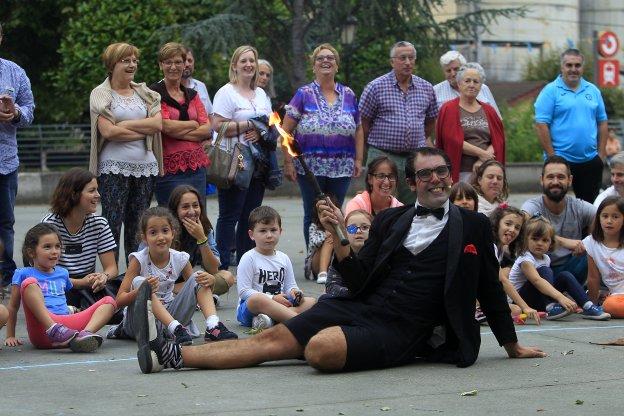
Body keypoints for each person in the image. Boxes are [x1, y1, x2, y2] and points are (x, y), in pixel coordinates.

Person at [132, 147, 544, 375]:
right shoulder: (391, 220)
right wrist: (339, 237)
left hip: (405, 328)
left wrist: (511, 344)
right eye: (426, 174)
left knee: (320, 350)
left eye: (442, 172)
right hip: (358, 304)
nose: (436, 179)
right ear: (413, 182)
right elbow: (359, 276)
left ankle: (306, 344)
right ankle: (168, 356)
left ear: (450, 176)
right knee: (271, 340)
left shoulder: (472, 225)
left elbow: (489, 285)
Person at [111, 207, 237, 343]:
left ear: (173, 233)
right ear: (144, 238)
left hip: (170, 316)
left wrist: (210, 281)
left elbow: (197, 290)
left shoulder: (180, 258)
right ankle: (175, 328)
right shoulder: (138, 260)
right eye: (153, 233)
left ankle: (213, 326)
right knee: (139, 281)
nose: (160, 237)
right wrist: (141, 291)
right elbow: (119, 300)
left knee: (199, 276)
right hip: (141, 321)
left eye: (165, 231)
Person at [282, 43, 363, 246]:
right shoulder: (303, 94)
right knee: (313, 211)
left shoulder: (349, 95)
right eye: (320, 58)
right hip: (310, 167)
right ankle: (314, 259)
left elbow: (359, 128)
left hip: (342, 166)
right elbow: (285, 130)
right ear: (314, 66)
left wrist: (359, 159)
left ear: (337, 66)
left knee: (336, 209)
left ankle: (334, 255)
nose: (325, 61)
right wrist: (289, 162)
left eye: (330, 58)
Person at [89, 42, 163, 264]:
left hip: (146, 167)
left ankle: (133, 277)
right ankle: (110, 277)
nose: (132, 65)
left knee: (138, 225)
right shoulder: (101, 93)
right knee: (112, 222)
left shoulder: (146, 93)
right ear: (112, 64)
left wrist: (125, 125)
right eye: (126, 60)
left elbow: (157, 124)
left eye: (134, 61)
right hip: (113, 168)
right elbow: (108, 131)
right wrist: (142, 129)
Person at [4, 224, 116, 352]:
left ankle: (83, 336)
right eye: (47, 247)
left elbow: (75, 283)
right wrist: (10, 335)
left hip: (68, 329)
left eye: (57, 246)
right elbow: (13, 306)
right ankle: (54, 330)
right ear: (31, 252)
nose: (54, 251)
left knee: (109, 302)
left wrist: (87, 281)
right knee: (29, 283)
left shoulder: (62, 273)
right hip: (44, 329)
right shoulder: (23, 273)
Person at [212, 45, 273, 269]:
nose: (248, 65)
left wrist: (260, 130)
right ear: (235, 66)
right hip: (235, 162)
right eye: (243, 61)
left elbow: (268, 122)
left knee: (251, 216)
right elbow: (217, 125)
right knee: (229, 215)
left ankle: (246, 264)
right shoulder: (226, 92)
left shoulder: (261, 94)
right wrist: (249, 124)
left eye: (252, 61)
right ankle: (222, 267)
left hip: (258, 162)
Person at [359, 41, 438, 205]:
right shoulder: (375, 87)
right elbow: (363, 123)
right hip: (382, 154)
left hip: (413, 158)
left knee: (412, 205)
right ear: (392, 61)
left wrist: (419, 138)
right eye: (403, 58)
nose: (408, 62)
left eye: (411, 58)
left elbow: (430, 122)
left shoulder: (426, 88)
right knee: (380, 203)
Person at [534, 48, 608, 203]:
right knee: (554, 204)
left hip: (590, 161)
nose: (573, 69)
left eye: (577, 65)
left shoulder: (593, 90)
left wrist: (600, 156)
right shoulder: (550, 91)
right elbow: (541, 125)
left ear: (582, 67)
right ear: (562, 67)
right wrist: (553, 156)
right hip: (560, 161)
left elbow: (602, 122)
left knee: (590, 208)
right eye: (569, 65)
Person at [42, 168, 119, 313]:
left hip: (89, 286)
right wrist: (80, 283)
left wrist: (103, 276)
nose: (98, 195)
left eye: (97, 190)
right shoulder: (50, 225)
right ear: (73, 194)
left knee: (124, 282)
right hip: (58, 284)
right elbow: (45, 273)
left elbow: (112, 268)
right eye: (92, 191)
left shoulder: (100, 224)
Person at [508, 216, 609, 321]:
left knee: (565, 276)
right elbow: (537, 281)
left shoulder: (545, 258)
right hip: (520, 301)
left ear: (550, 243)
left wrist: (566, 298)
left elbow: (546, 284)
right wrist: (560, 298)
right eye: (534, 239)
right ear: (525, 239)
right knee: (545, 271)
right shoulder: (525, 258)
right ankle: (551, 307)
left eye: (545, 240)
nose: (539, 243)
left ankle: (588, 306)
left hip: (537, 299)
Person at [150, 42, 212, 206]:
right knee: (171, 220)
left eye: (178, 62)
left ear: (184, 64)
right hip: (168, 170)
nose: (173, 67)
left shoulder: (193, 95)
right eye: (168, 62)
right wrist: (193, 123)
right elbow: (164, 126)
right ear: (160, 65)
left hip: (197, 168)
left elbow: (207, 128)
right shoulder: (154, 94)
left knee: (197, 218)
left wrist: (177, 130)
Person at [236, 206, 315, 331]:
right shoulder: (249, 258)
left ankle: (271, 320)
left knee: (311, 301)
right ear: (251, 235)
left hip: (281, 303)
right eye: (263, 231)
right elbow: (244, 291)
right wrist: (272, 298)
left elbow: (290, 286)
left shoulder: (284, 258)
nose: (269, 235)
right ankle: (299, 322)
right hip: (250, 308)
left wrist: (295, 292)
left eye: (273, 230)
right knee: (256, 299)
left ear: (280, 231)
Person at [521, 155, 596, 285]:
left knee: (594, 248)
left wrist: (586, 244)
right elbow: (521, 227)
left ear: (570, 180)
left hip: (571, 270)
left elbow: (602, 224)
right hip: (539, 271)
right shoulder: (532, 206)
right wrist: (563, 242)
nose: (555, 181)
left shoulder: (579, 207)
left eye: (561, 177)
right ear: (542, 180)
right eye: (550, 177)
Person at [0, 22, 35, 290]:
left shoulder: (14, 71)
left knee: (5, 221)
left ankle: (3, 274)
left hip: (5, 161)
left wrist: (15, 114)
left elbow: (29, 112)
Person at [435, 63, 505, 183]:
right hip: (460, 172)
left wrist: (483, 160)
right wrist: (482, 153)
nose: (471, 85)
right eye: (467, 81)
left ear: (481, 86)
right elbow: (451, 139)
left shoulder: (489, 110)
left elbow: (499, 139)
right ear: (459, 84)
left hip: (487, 172)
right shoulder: (449, 108)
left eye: (476, 82)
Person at [167, 185, 236, 300]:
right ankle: (199, 296)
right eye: (185, 207)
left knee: (227, 277)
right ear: (175, 210)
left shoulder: (204, 228)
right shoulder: (166, 228)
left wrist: (201, 238)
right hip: (163, 284)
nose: (192, 211)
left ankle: (195, 296)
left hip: (186, 283)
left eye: (195, 205)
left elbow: (213, 269)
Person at [489, 206, 540, 323]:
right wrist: (525, 307)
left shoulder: (500, 248)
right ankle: (477, 310)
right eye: (508, 224)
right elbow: (502, 280)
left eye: (517, 227)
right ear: (496, 223)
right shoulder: (489, 245)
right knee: (516, 309)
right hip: (467, 292)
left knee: (515, 310)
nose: (512, 230)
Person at [585, 196, 624, 318]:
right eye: (605, 216)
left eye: (615, 217)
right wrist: (592, 305)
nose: (609, 221)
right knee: (610, 305)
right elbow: (593, 278)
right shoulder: (591, 242)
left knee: (609, 305)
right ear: (598, 218)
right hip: (616, 298)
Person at [433, 50, 501, 118]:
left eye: (456, 69)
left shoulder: (482, 88)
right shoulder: (435, 91)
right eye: (448, 71)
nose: (453, 74)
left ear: (464, 68)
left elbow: (496, 117)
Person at [324, 209, 373, 298]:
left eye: (365, 227)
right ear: (345, 232)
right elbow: (330, 286)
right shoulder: (339, 255)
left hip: (370, 301)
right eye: (352, 228)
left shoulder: (377, 255)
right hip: (346, 299)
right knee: (324, 298)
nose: (358, 231)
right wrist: (353, 293)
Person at [304, 195, 337, 284]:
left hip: (332, 262)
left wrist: (335, 234)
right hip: (315, 264)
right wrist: (325, 235)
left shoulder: (338, 225)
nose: (327, 214)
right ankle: (322, 273)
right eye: (323, 211)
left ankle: (334, 273)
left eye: (330, 211)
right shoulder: (314, 226)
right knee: (329, 239)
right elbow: (313, 244)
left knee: (334, 239)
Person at [182, 47, 213, 116]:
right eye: (183, 61)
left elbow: (210, 114)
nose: (187, 64)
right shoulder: (162, 88)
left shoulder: (200, 86)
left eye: (190, 61)